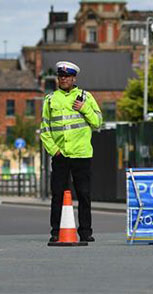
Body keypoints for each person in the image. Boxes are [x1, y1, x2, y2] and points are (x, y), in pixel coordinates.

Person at [39, 60, 102, 243]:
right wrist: (54, 150)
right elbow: (45, 129)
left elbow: (98, 122)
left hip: (81, 154)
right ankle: (56, 231)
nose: (63, 79)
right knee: (57, 194)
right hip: (61, 155)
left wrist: (84, 109)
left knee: (84, 194)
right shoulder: (50, 99)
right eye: (61, 76)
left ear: (74, 78)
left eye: (67, 76)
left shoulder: (85, 97)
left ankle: (85, 232)